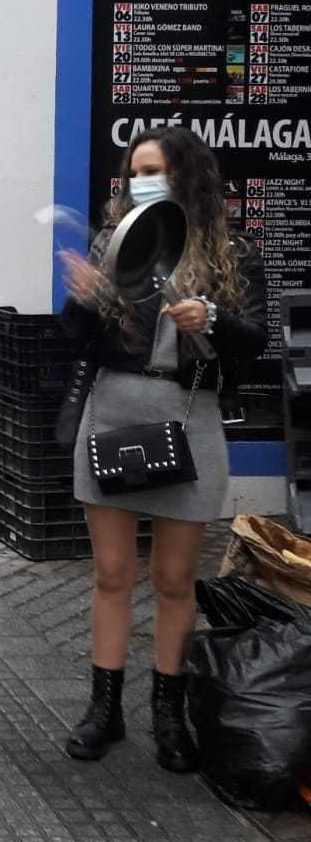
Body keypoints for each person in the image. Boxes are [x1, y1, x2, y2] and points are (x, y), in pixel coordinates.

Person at [57, 126, 265, 770]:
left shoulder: (232, 251)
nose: (142, 181)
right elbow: (77, 340)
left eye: (158, 170)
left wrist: (214, 318)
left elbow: (255, 342)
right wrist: (86, 297)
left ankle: (168, 714)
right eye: (135, 171)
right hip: (115, 410)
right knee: (113, 574)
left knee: (176, 580)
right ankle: (104, 709)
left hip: (189, 414)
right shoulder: (112, 244)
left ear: (188, 179)